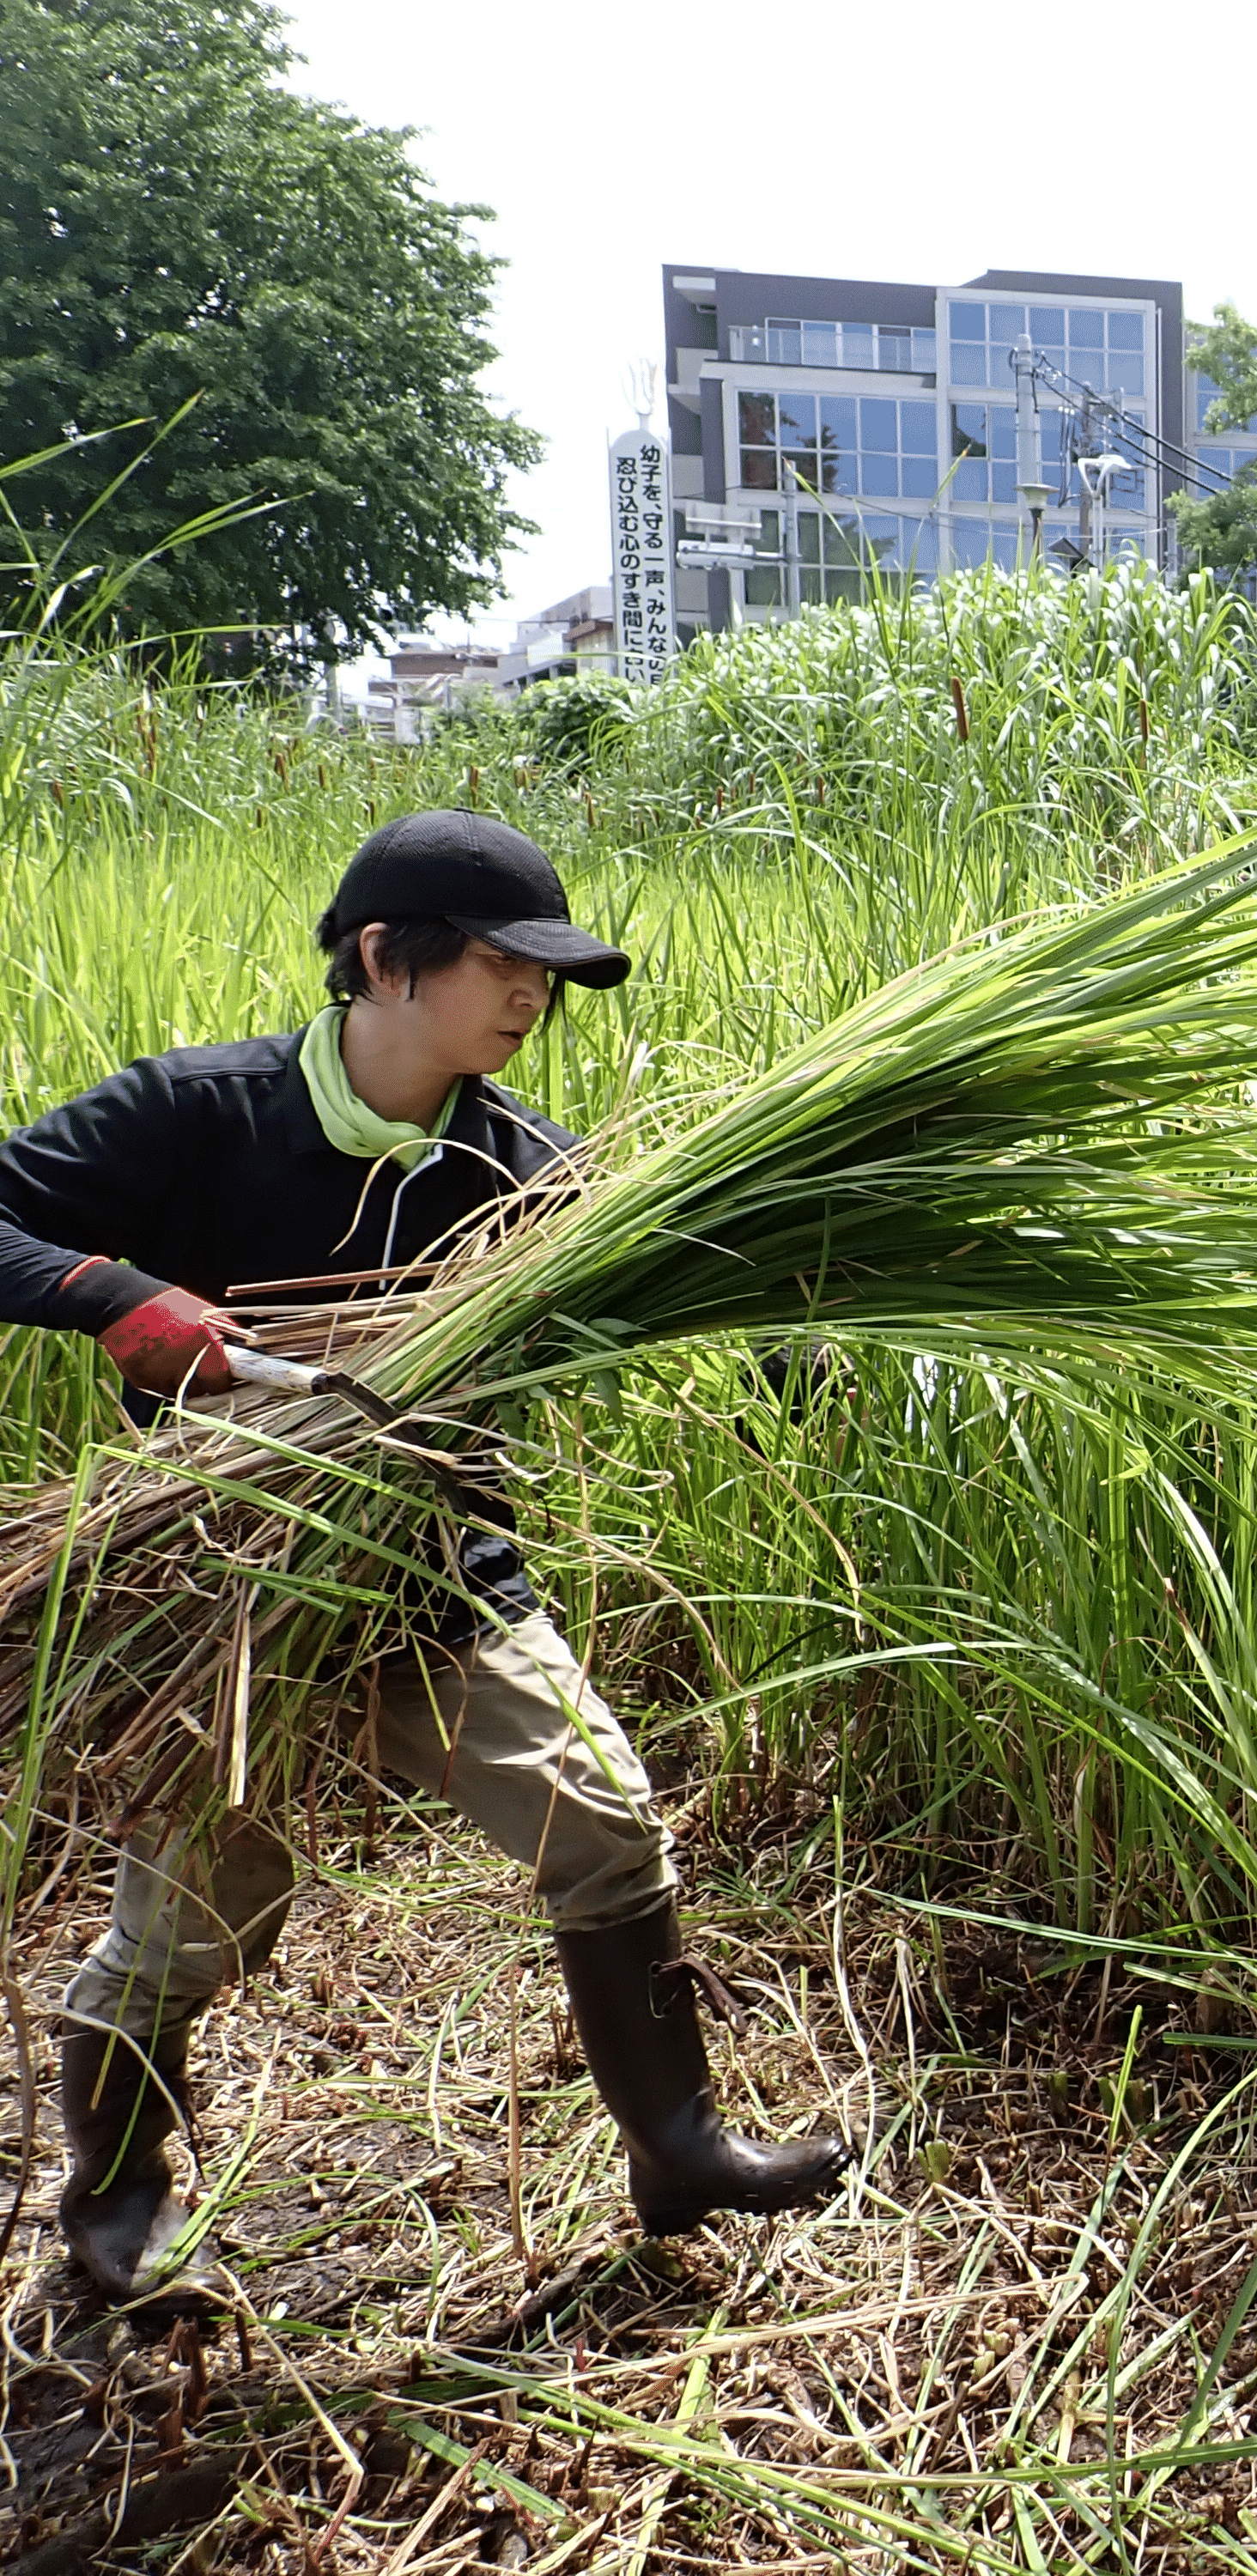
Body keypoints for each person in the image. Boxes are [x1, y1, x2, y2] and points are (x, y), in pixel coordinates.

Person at [0, 812, 845, 2305]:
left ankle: (680, 2146)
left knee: (604, 1824)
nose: (532, 996)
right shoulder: (196, 1115)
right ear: (386, 957)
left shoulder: (520, 1166)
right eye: (504, 962)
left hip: (439, 1579)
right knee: (188, 1929)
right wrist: (114, 1294)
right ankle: (115, 2196)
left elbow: (696, 1277)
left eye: (549, 975)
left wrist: (799, 1340)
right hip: (227, 1605)